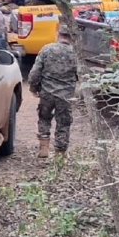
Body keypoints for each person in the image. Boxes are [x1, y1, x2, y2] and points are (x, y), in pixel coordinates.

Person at [28, 22, 78, 160]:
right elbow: (80, 73)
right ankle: (60, 155)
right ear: (71, 37)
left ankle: (44, 148)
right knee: (63, 123)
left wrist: (33, 88)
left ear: (58, 34)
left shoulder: (47, 49)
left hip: (47, 93)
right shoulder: (75, 52)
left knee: (44, 118)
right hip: (66, 95)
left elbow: (35, 72)